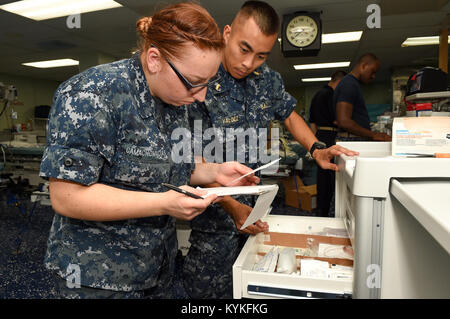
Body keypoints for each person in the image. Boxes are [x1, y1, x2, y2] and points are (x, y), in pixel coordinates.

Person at [39, 2, 259, 299]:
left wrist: (216, 171)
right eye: (194, 84)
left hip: (157, 268)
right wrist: (164, 204)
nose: (201, 96)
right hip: (97, 278)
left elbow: (171, 163)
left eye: (208, 83)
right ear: (154, 59)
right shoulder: (91, 94)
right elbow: (67, 197)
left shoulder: (174, 96)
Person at [181, 0, 358, 299]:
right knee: (210, 296)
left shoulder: (268, 81)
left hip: (254, 209)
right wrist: (233, 208)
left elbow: (289, 114)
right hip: (214, 220)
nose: (249, 63)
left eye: (261, 55)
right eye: (244, 49)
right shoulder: (202, 79)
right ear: (226, 34)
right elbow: (188, 159)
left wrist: (316, 148)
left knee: (255, 292)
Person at [309, 71, 346, 217]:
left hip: (319, 136)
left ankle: (321, 208)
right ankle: (327, 210)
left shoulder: (317, 95)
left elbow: (312, 121)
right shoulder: (332, 95)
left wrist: (315, 143)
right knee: (331, 175)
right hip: (331, 135)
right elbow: (338, 120)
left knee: (322, 176)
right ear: (340, 82)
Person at [334, 53, 391, 141]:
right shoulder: (349, 84)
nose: (373, 76)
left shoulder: (352, 83)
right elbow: (344, 121)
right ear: (364, 66)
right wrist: (373, 135)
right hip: (351, 140)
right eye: (373, 72)